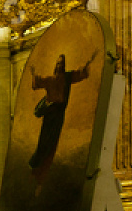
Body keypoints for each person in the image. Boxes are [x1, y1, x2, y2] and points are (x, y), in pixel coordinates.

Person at [28, 50, 96, 185]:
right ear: (55, 65)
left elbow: (80, 74)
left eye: (62, 64)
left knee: (53, 140)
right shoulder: (50, 80)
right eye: (58, 63)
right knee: (44, 139)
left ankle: (47, 165)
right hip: (49, 114)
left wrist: (87, 65)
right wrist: (33, 73)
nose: (59, 66)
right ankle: (37, 164)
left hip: (59, 113)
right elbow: (37, 82)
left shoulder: (67, 77)